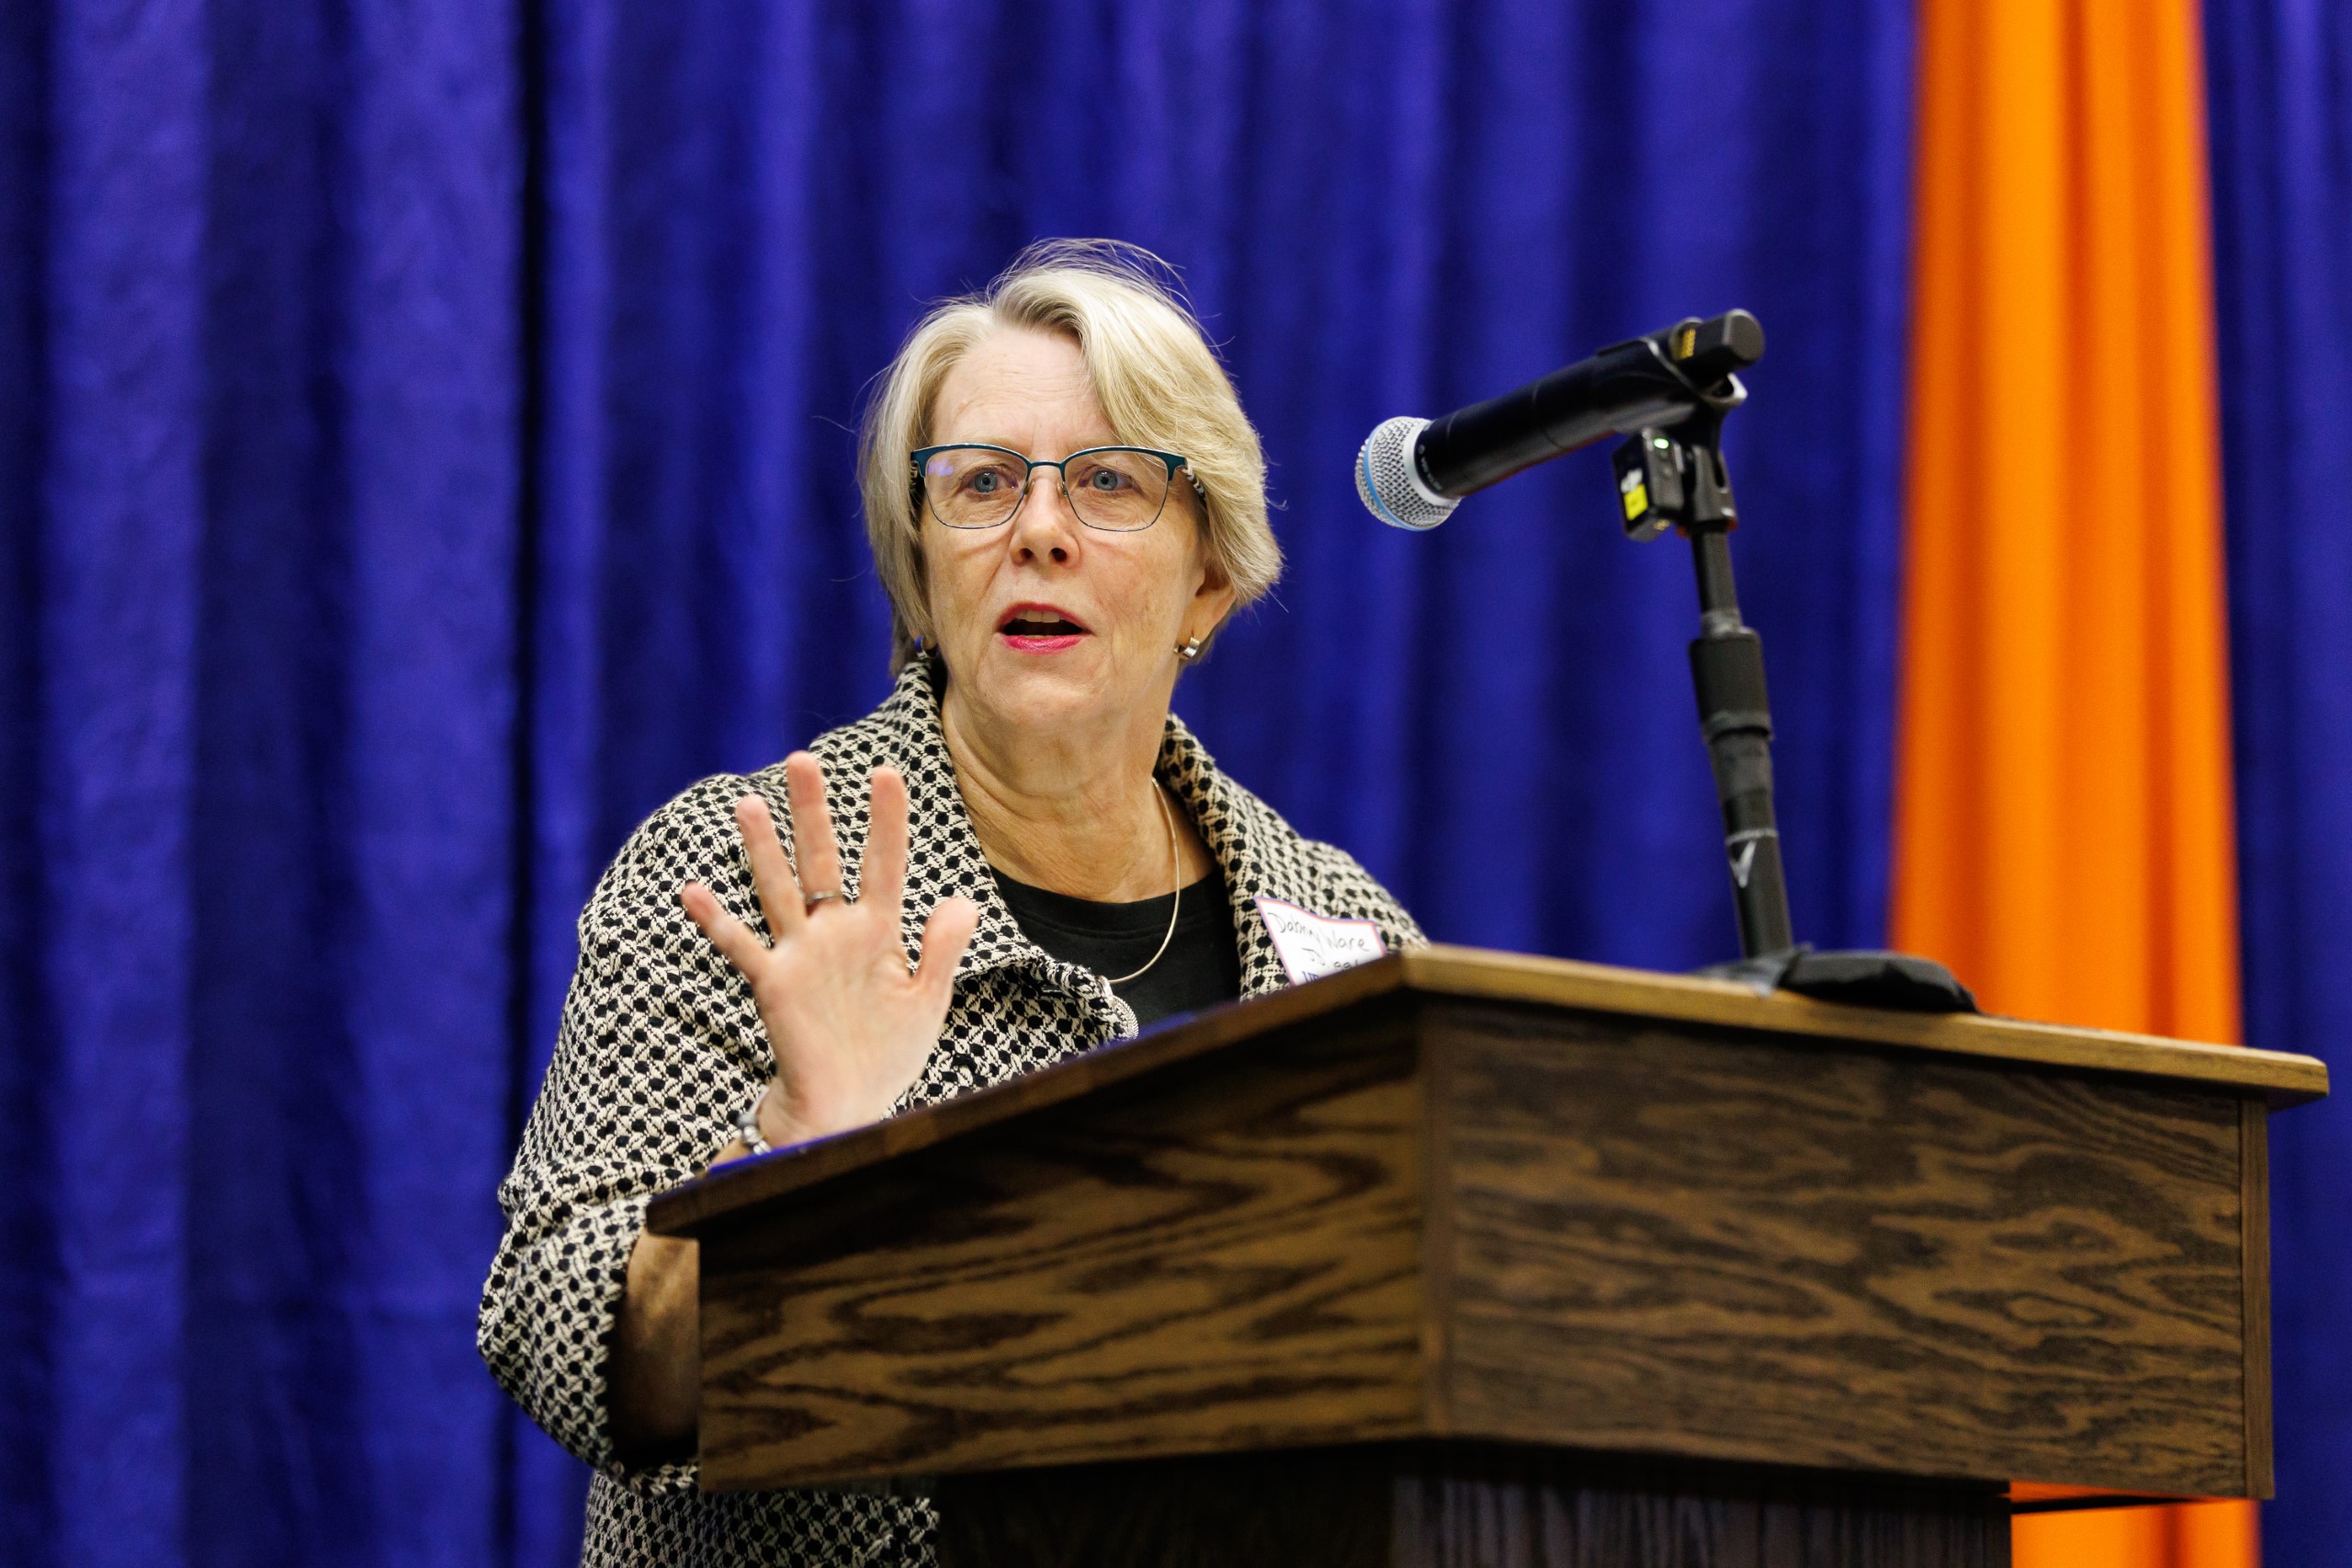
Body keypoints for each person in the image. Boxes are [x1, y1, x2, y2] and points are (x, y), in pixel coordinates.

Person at [477, 239, 1424, 1567]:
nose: (1039, 529)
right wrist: (793, 1163)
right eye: (981, 483)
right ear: (922, 570)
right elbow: (566, 1337)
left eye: (1109, 482)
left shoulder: (1347, 939)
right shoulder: (737, 872)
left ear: (1210, 578)